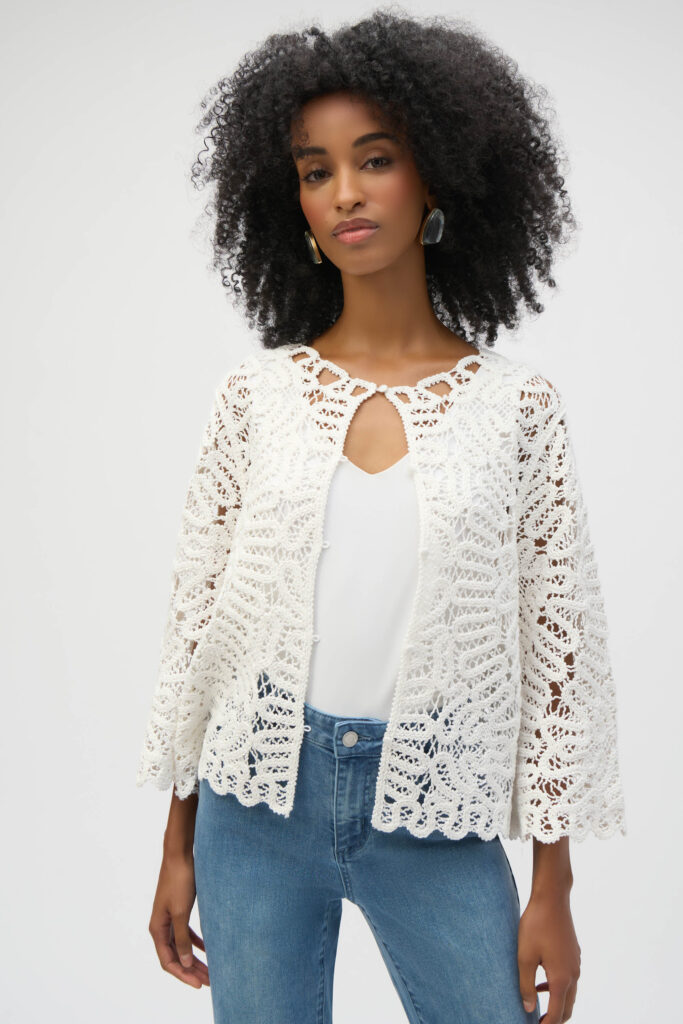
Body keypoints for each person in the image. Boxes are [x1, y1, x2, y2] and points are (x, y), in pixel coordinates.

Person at [136, 10, 627, 1024]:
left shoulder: (515, 409)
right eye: (315, 171)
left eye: (374, 159)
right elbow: (197, 635)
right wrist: (177, 846)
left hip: (435, 808)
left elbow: (557, 653)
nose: (345, 193)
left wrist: (553, 886)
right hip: (254, 809)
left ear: (434, 177)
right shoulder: (255, 398)